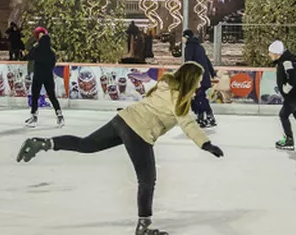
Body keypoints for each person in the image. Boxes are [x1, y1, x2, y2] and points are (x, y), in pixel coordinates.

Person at [17, 62, 224, 235]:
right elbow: (188, 124)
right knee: (147, 180)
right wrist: (206, 144)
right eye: (198, 80)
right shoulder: (179, 100)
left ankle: (43, 143)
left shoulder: (164, 86)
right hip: (139, 132)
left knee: (85, 144)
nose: (199, 84)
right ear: (190, 79)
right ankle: (143, 227)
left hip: (123, 120)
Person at [269, 40, 296, 149]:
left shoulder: (286, 62)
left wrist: (286, 89)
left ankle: (289, 140)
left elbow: (293, 77)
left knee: (283, 115)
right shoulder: (283, 62)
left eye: (271, 53)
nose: (269, 55)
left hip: (294, 95)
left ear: (277, 54)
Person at [25, 27, 63, 128]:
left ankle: (34, 116)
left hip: (38, 76)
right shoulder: (51, 52)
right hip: (48, 76)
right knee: (52, 96)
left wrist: (35, 45)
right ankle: (60, 116)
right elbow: (53, 63)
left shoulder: (37, 50)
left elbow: (30, 56)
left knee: (35, 96)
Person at [182, 29, 217, 128]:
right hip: (205, 77)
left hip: (197, 77)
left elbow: (188, 62)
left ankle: (208, 117)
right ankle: (203, 117)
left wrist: (186, 75)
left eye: (183, 37)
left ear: (187, 37)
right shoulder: (200, 47)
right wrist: (212, 73)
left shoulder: (189, 47)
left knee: (199, 97)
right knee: (200, 97)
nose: (182, 39)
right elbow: (207, 61)